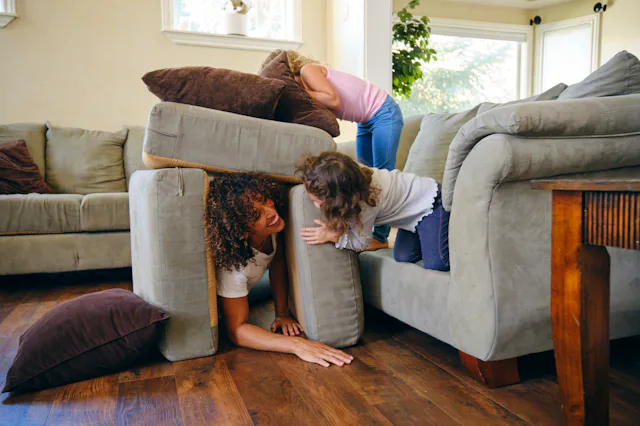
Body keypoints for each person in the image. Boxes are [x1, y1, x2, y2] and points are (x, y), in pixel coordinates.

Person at [260, 50, 404, 251]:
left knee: (382, 171)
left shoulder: (308, 70)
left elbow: (333, 100)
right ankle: (362, 229)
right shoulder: (309, 90)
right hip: (365, 121)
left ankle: (381, 236)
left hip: (383, 111)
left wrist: (296, 92)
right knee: (364, 175)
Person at [206, 172, 354, 368]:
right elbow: (237, 330)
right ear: (241, 230)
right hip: (231, 300)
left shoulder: (272, 229)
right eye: (256, 215)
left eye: (264, 201)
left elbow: (277, 262)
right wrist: (297, 344)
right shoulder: (234, 270)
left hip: (254, 283)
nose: (270, 211)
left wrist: (282, 313)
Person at [296, 152, 450, 272]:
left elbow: (361, 243)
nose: (316, 206)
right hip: (410, 212)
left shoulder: (365, 204)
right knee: (404, 256)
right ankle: (428, 232)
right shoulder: (348, 175)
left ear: (339, 200)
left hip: (431, 202)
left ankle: (450, 225)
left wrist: (332, 236)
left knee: (437, 263)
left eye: (317, 201)